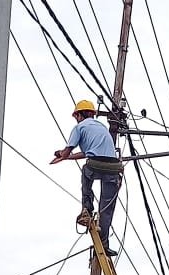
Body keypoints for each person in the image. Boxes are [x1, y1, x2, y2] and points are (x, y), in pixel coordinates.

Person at [50, 99, 123, 257]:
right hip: (113, 167)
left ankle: (87, 210)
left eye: (76, 115)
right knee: (106, 208)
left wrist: (60, 154)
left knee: (86, 173)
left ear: (79, 114)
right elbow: (86, 152)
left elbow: (67, 151)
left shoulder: (79, 128)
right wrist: (66, 158)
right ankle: (104, 244)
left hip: (96, 164)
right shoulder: (101, 127)